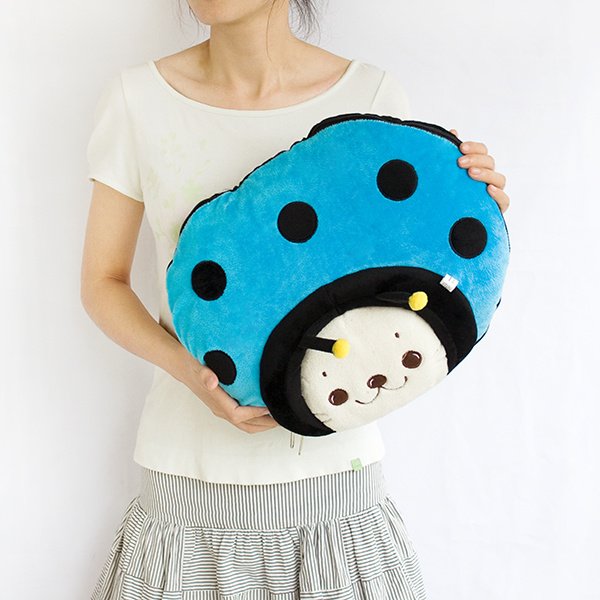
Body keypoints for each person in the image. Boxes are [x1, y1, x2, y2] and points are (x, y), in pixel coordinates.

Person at [81, 1, 510, 598]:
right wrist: (192, 375)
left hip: (338, 491)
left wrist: (476, 204)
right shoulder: (137, 99)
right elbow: (103, 282)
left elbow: (413, 264)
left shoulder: (371, 92)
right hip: (188, 484)